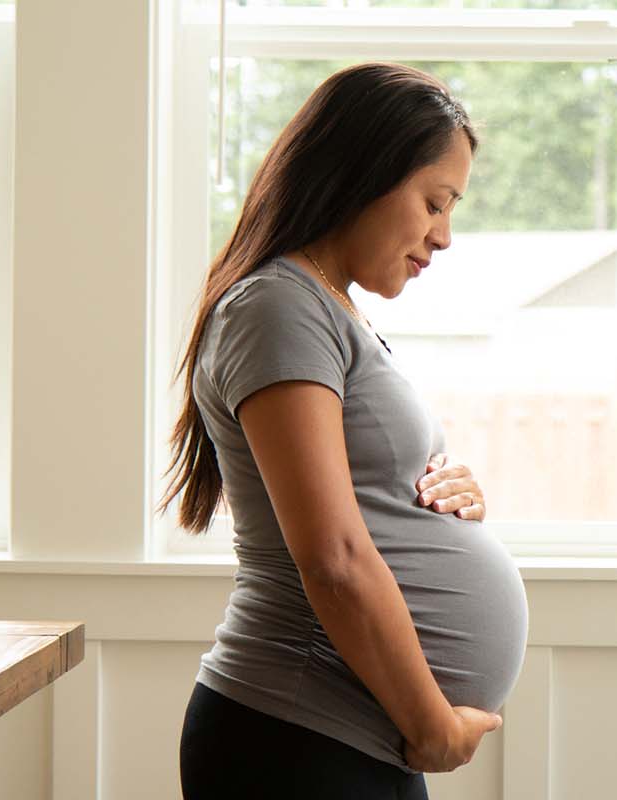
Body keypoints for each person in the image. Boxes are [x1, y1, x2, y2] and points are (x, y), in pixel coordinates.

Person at [160, 62, 529, 799]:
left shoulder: (322, 308)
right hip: (297, 738)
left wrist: (441, 499)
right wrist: (431, 724)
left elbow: (359, 503)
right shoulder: (277, 307)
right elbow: (332, 557)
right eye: (434, 201)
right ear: (362, 173)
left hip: (343, 735)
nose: (445, 235)